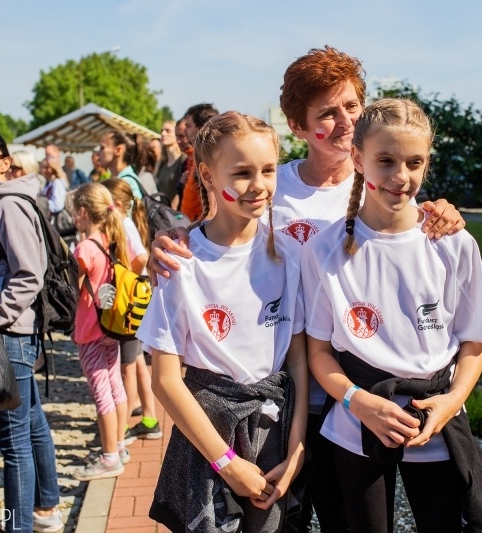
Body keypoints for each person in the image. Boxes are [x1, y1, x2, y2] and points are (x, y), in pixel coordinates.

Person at [149, 46, 465, 533]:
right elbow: (224, 234)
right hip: (297, 401)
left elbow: (416, 239)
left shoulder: (384, 178)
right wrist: (171, 240)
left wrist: (446, 213)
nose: (343, 122)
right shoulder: (278, 187)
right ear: (298, 127)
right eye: (327, 113)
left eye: (352, 107)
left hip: (361, 402)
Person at [301, 98, 482, 533]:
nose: (401, 176)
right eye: (386, 160)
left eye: (415, 162)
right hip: (357, 424)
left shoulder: (453, 244)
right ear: (357, 157)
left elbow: (474, 344)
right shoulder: (324, 250)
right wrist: (359, 401)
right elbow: (318, 352)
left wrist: (451, 402)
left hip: (435, 422)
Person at [136, 111, 308, 532]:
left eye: (268, 170)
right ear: (208, 177)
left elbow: (298, 364)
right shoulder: (181, 262)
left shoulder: (290, 255)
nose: (259, 185)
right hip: (210, 441)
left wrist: (297, 449)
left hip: (277, 436)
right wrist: (227, 464)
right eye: (242, 172)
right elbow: (165, 380)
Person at [0, 126, 63, 533]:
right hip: (14, 330)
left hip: (11, 333)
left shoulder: (6, 204)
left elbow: (28, 274)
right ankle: (47, 506)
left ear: (5, 160)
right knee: (32, 419)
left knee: (12, 438)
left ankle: (19, 525)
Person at [70, 182, 132, 480]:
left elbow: (74, 285)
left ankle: (108, 457)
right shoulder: (112, 238)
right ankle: (118, 445)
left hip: (90, 331)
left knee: (101, 394)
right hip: (111, 327)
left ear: (83, 213)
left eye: (74, 213)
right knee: (115, 385)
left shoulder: (84, 248)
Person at [100, 178, 161, 443]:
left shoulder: (123, 224)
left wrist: (126, 280)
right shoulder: (125, 222)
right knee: (135, 362)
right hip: (138, 297)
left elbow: (140, 258)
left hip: (131, 301)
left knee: (127, 365)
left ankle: (123, 427)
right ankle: (149, 418)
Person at [179, 104, 219, 221]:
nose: (185, 130)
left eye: (188, 126)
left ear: (201, 127)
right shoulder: (195, 154)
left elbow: (212, 210)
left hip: (200, 229)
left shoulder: (208, 156)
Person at [98, 130, 150, 200]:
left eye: (102, 148)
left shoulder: (127, 182)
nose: (98, 153)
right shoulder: (119, 179)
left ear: (118, 150)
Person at [155, 120, 187, 209]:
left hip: (174, 216)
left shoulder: (183, 160)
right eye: (162, 131)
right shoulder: (162, 163)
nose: (163, 133)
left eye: (168, 131)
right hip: (160, 214)